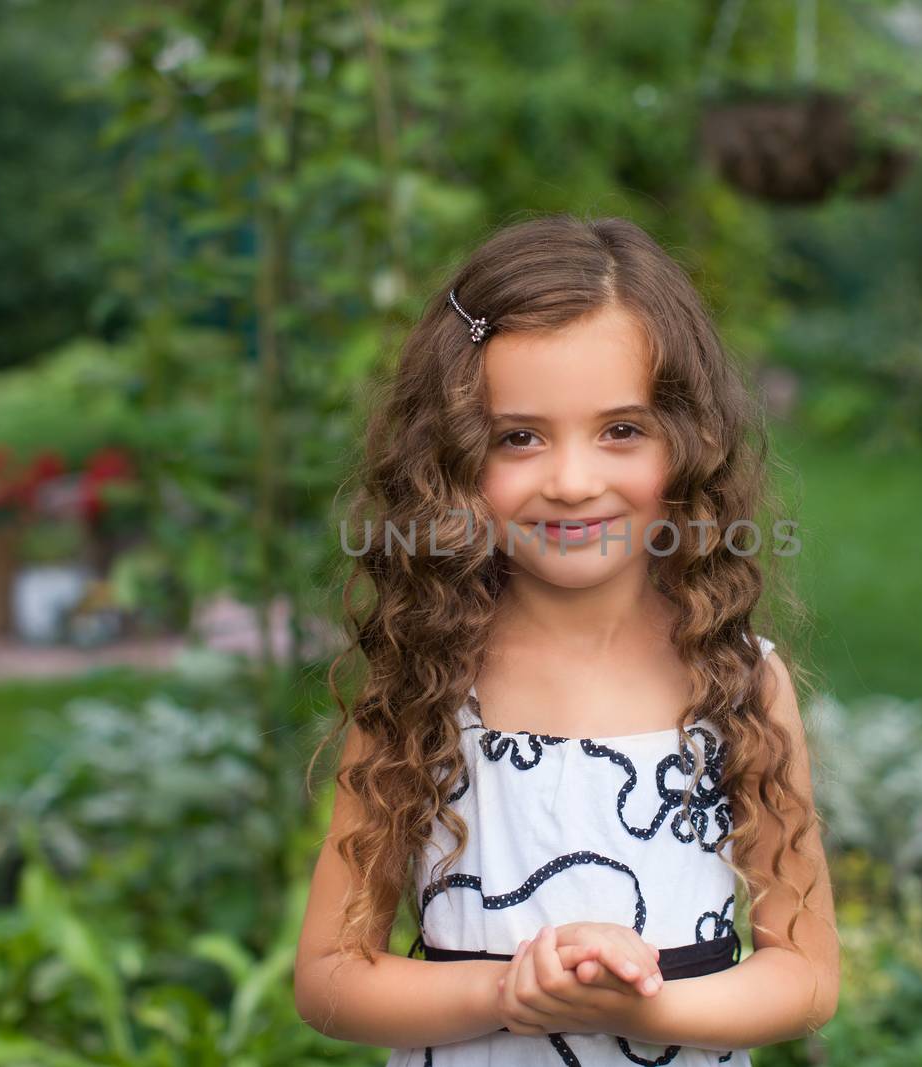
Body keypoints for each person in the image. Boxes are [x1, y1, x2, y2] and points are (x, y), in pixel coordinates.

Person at [293, 214, 840, 1065]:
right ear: (452, 458)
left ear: (688, 441)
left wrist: (645, 1011)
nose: (575, 482)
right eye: (520, 436)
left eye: (622, 430)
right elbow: (329, 977)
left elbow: (805, 975)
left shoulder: (735, 682)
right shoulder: (426, 684)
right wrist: (507, 992)